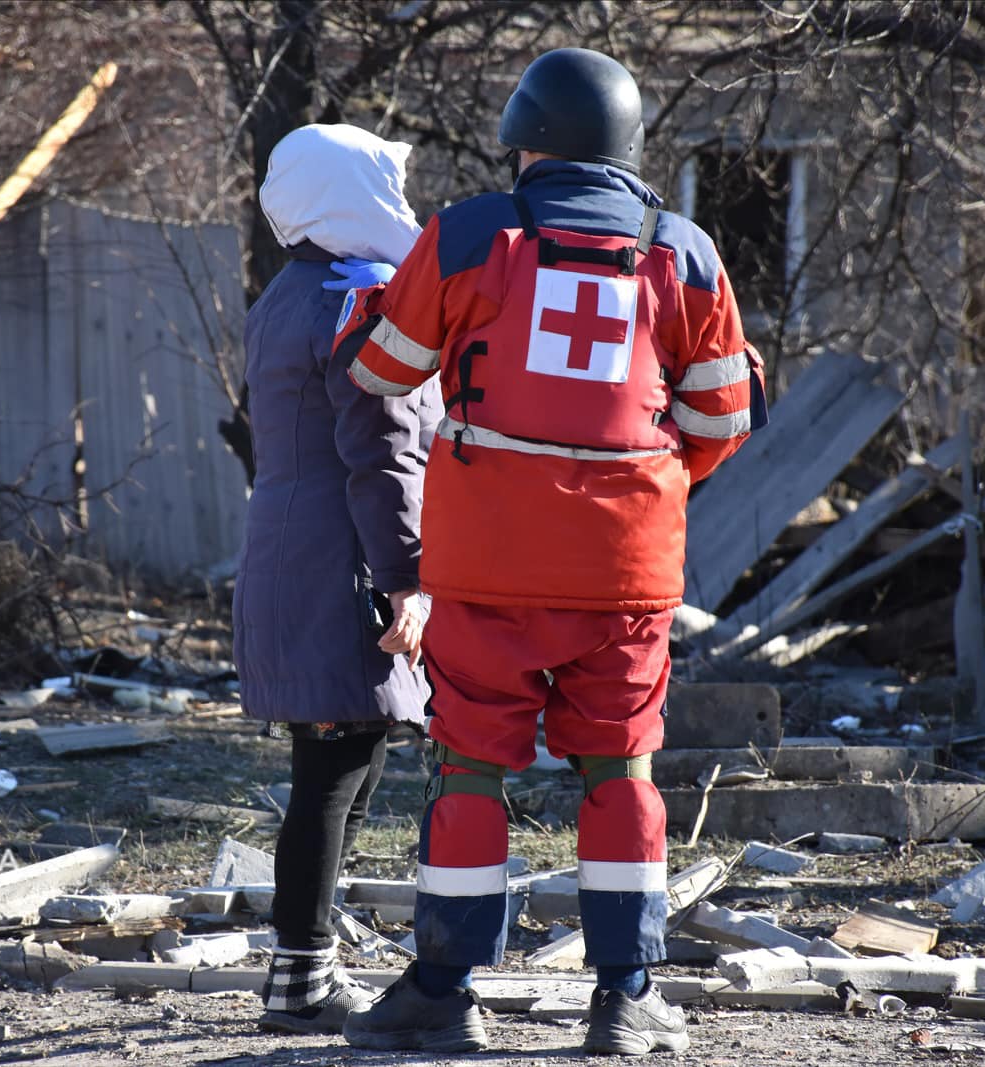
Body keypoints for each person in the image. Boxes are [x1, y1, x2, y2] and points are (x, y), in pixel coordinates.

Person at [330, 48, 765, 1056]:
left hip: (483, 566)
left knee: (472, 766)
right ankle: (626, 996)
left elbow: (381, 369)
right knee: (619, 770)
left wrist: (368, 304)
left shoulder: (472, 231)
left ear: (528, 143)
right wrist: (643, 484)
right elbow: (722, 418)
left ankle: (442, 988)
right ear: (627, 146)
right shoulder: (687, 251)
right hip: (625, 572)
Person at [232, 122, 442, 1035]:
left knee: (345, 762)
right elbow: (385, 456)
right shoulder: (362, 300)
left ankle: (307, 960)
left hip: (285, 554)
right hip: (344, 563)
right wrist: (409, 579)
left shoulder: (284, 294)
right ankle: (301, 977)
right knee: (333, 767)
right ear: (349, 190)